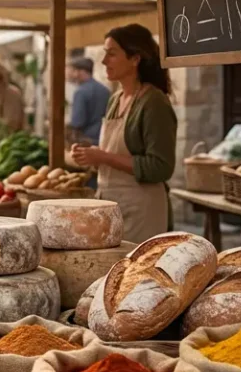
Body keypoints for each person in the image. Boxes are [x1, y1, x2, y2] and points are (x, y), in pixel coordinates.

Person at [71, 24, 177, 243]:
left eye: (112, 54)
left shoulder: (153, 102)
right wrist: (91, 156)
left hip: (141, 211)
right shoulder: (115, 99)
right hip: (111, 207)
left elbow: (160, 167)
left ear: (135, 59)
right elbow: (113, 155)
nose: (103, 61)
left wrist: (104, 157)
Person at [68, 56, 111, 145]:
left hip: (87, 140)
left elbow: (78, 122)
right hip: (105, 137)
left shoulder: (80, 92)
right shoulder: (105, 90)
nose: (73, 75)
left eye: (74, 71)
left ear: (80, 72)